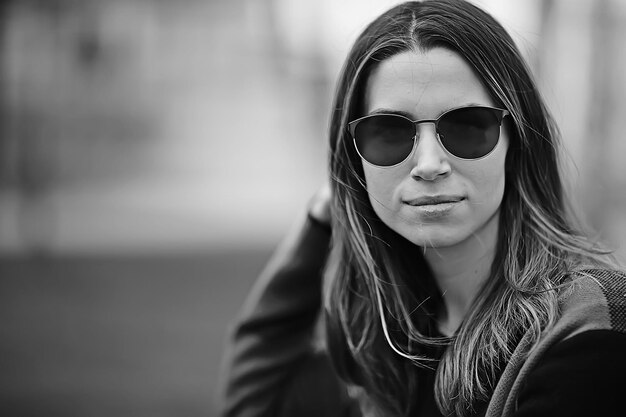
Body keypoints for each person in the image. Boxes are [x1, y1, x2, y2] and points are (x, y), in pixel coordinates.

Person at [218, 1, 626, 416]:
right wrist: (323, 216)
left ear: (515, 143)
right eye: (388, 133)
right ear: (354, 164)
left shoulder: (585, 328)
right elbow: (256, 401)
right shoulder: (388, 344)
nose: (430, 165)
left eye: (467, 126)